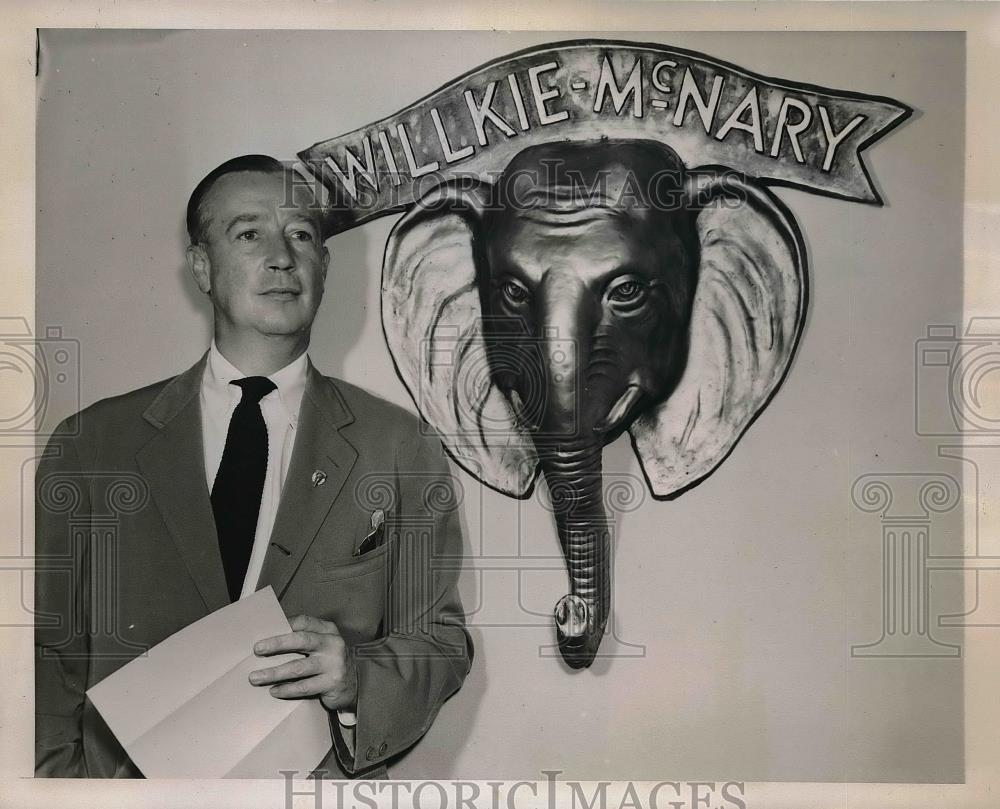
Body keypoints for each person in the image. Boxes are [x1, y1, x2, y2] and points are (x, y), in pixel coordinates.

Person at [34, 154, 473, 778]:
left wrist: (357, 680)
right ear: (201, 268)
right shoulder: (90, 445)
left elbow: (440, 642)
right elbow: (44, 653)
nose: (282, 257)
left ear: (324, 263)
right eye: (249, 234)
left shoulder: (401, 445)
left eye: (301, 235)